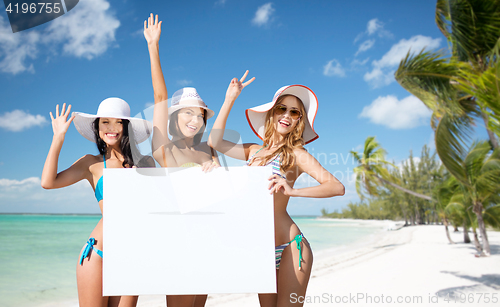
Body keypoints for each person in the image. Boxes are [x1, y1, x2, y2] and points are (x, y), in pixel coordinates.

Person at [208, 72, 345, 307]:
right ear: (272, 113)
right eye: (282, 108)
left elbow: (336, 186)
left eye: (294, 112)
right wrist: (230, 98)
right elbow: (215, 142)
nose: (287, 115)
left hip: (292, 247)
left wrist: (293, 191)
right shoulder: (253, 151)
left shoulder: (297, 154)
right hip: (260, 248)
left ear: (298, 121)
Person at [41, 98, 153, 307]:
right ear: (97, 127)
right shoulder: (91, 163)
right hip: (98, 255)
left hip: (132, 255)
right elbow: (48, 182)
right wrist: (58, 138)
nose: (111, 128)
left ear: (126, 127)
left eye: (118, 122)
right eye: (105, 122)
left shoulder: (146, 164)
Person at [144, 13, 218, 307]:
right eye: (187, 112)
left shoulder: (209, 152)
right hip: (176, 241)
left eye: (199, 114)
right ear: (175, 117)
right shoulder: (164, 149)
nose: (194, 118)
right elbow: (160, 95)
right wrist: (153, 46)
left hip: (208, 240)